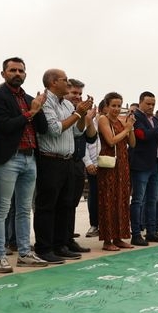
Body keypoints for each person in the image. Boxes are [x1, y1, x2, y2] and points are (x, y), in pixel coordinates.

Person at [0, 57, 49, 273]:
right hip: (8, 158)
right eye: (13, 70)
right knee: (2, 208)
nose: (17, 73)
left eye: (21, 70)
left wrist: (39, 108)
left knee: (24, 209)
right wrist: (30, 112)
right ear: (3, 73)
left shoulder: (30, 98)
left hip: (30, 158)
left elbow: (43, 129)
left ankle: (24, 253)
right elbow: (4, 125)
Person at [34, 68, 93, 264]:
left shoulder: (67, 104)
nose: (68, 84)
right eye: (64, 80)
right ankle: (44, 247)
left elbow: (77, 133)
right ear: (52, 82)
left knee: (64, 205)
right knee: (47, 206)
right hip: (50, 160)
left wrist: (82, 115)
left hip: (67, 160)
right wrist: (78, 113)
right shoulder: (45, 102)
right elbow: (55, 129)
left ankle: (60, 245)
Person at [129, 91, 158, 245]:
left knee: (153, 200)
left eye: (153, 104)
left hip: (155, 164)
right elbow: (143, 136)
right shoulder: (136, 118)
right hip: (141, 165)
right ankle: (136, 234)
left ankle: (151, 231)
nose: (151, 106)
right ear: (140, 102)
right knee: (138, 200)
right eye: (148, 103)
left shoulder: (155, 119)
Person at [97, 92, 137, 251]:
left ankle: (119, 237)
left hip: (122, 165)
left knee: (121, 200)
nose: (116, 109)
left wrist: (130, 127)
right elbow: (111, 140)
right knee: (108, 201)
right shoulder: (103, 119)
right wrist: (126, 129)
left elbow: (132, 144)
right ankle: (107, 240)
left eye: (118, 106)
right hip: (109, 166)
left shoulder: (121, 122)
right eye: (113, 105)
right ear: (106, 106)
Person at [64, 78, 97, 253]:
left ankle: (68, 239)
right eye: (74, 93)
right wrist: (79, 115)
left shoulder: (81, 112)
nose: (77, 96)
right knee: (60, 204)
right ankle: (58, 242)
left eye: (79, 94)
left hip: (77, 162)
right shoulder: (63, 110)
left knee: (72, 204)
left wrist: (88, 118)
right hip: (62, 160)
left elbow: (91, 137)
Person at [83, 101, 102, 238]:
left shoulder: (114, 125)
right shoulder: (89, 123)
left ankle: (108, 225)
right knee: (94, 195)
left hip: (111, 166)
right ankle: (94, 225)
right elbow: (83, 145)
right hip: (94, 166)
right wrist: (88, 163)